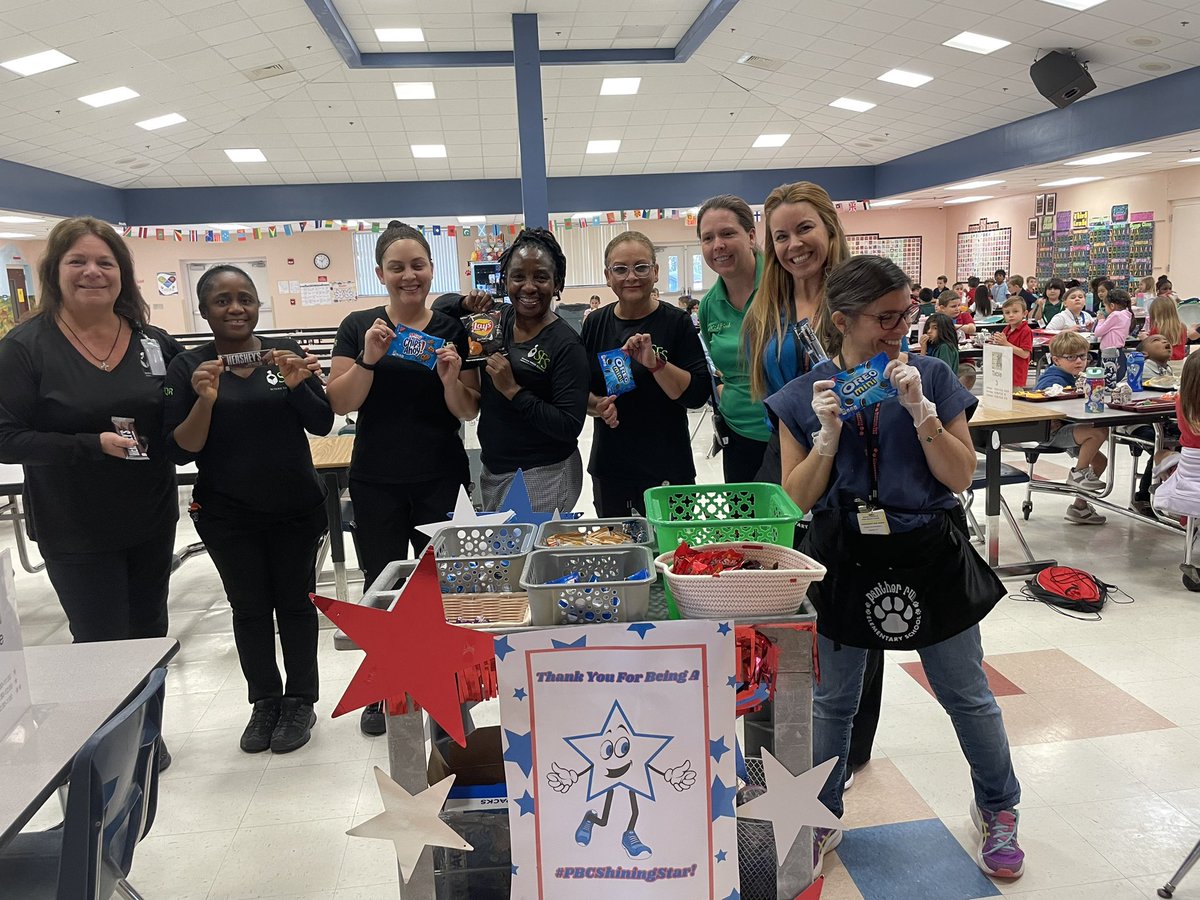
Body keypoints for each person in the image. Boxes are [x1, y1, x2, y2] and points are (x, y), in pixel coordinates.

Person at [764, 255, 1023, 882]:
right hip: (843, 554)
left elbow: (962, 475)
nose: (900, 327)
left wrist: (923, 415)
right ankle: (822, 813)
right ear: (842, 318)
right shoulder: (807, 395)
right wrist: (826, 438)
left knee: (966, 693)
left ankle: (998, 809)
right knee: (832, 700)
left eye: (906, 312)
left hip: (929, 547)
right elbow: (794, 499)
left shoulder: (932, 374)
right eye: (885, 317)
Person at [0, 217, 183, 770]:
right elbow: (6, 437)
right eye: (77, 261)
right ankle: (111, 750)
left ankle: (146, 734)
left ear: (121, 274)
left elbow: (180, 409)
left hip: (150, 513)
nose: (92, 272)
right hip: (75, 521)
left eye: (105, 262)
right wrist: (89, 445)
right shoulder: (26, 347)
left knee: (150, 630)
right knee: (101, 638)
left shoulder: (151, 340)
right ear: (55, 271)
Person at [164, 266, 332, 753]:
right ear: (204, 309)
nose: (235, 308)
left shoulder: (281, 358)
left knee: (297, 605)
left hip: (295, 509)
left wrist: (300, 383)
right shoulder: (189, 367)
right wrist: (204, 400)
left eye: (245, 299)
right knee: (250, 609)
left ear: (258, 306)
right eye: (222, 300)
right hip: (227, 514)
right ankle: (265, 702)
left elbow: (322, 423)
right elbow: (181, 449)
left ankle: (300, 701)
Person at [327, 220, 479, 738]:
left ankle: (448, 681)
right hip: (376, 478)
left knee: (440, 589)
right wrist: (369, 357)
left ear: (432, 270)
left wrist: (450, 378)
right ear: (380, 273)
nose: (409, 276)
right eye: (397, 267)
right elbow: (340, 402)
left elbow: (466, 412)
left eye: (418, 265)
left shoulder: (452, 329)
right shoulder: (359, 325)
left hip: (440, 475)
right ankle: (385, 685)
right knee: (381, 587)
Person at [456, 228, 590, 512]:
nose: (528, 286)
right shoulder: (497, 319)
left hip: (543, 472)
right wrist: (464, 303)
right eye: (518, 276)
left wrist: (512, 390)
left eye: (540, 277)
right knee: (509, 554)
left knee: (529, 555)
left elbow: (568, 425)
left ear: (557, 284)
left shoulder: (566, 344)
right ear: (505, 281)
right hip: (495, 469)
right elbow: (441, 308)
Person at [582, 231, 709, 517]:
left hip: (667, 466)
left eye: (640, 267)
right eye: (620, 269)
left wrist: (655, 364)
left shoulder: (676, 323)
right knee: (619, 555)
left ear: (655, 271)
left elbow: (697, 395)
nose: (631, 277)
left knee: (671, 555)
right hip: (611, 467)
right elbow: (579, 391)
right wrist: (598, 406)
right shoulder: (595, 324)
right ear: (607, 275)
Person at [743, 181, 851, 473]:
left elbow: (890, 372)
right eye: (781, 236)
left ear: (829, 228)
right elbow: (768, 394)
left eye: (804, 228)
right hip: (785, 456)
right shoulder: (763, 313)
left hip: (853, 454)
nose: (794, 245)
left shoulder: (863, 301)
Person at [696, 194, 770, 482]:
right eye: (708, 238)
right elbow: (718, 367)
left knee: (795, 524)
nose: (718, 245)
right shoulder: (709, 305)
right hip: (738, 435)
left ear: (751, 236)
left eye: (728, 233)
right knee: (746, 525)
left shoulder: (783, 285)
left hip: (794, 433)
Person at [1035, 332, 1108, 524]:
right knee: (1098, 432)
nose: (1079, 361)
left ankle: (1079, 508)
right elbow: (1042, 397)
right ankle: (1078, 473)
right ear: (1056, 360)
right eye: (1071, 357)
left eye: (1083, 356)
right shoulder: (1053, 377)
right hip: (1051, 432)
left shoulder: (1073, 376)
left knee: (1100, 463)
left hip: (1069, 428)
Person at [1094, 287, 1133, 384]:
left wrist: (1101, 320)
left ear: (1111, 306)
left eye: (1105, 306)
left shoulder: (1115, 315)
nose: (1105, 309)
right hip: (1117, 352)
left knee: (1109, 382)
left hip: (1110, 354)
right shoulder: (1126, 315)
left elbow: (1098, 332)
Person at [992, 296, 1033, 387]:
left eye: (1015, 311)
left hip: (1016, 374)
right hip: (1004, 372)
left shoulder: (1026, 331)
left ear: (1024, 313)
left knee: (1015, 398)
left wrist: (1006, 343)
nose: (1011, 315)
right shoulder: (1006, 329)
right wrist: (996, 341)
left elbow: (1025, 354)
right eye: (1007, 312)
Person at [1148, 296, 1196, 361]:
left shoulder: (1156, 329)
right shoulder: (1182, 327)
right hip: (1179, 363)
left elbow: (1151, 350)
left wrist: (1145, 339)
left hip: (1162, 363)